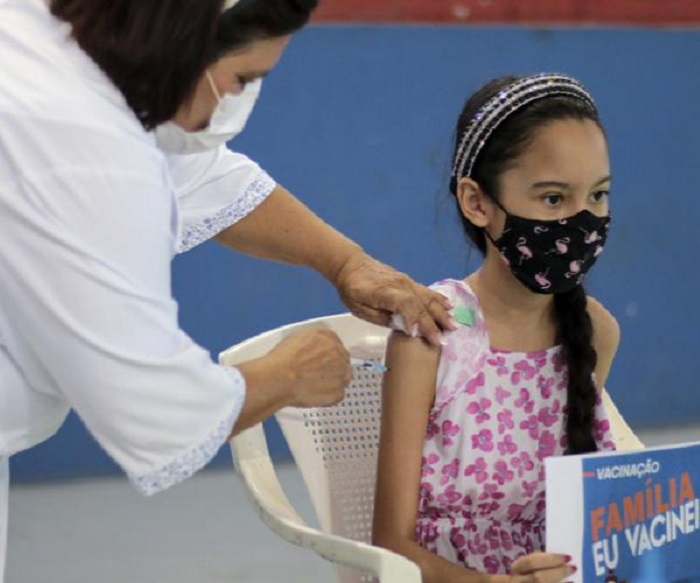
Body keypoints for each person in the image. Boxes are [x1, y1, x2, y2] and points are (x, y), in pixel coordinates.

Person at [0, 0, 454, 577]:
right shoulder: (88, 151)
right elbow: (154, 410)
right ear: (185, 40)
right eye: (242, 78)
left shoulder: (52, 39)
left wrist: (346, 263)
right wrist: (288, 374)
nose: (234, 104)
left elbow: (197, 174)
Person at [372, 73, 620, 583]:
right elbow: (392, 546)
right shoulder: (432, 332)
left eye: (598, 195)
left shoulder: (596, 329)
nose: (582, 221)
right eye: (553, 199)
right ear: (476, 202)